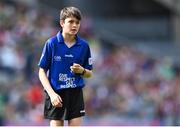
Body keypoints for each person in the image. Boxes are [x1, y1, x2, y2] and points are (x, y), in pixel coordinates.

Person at [38, 6, 93, 126]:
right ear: (62, 23)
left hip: (75, 94)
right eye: (71, 22)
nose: (75, 25)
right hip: (56, 93)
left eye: (77, 22)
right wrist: (52, 94)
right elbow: (41, 72)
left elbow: (89, 73)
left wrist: (82, 70)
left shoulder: (84, 46)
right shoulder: (51, 43)